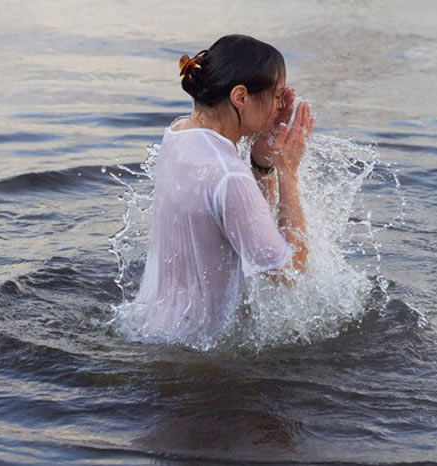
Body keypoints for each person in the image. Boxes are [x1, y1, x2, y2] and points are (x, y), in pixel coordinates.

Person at [134, 34, 314, 346]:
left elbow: (249, 230)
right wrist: (288, 172)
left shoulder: (178, 133)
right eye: (275, 95)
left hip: (149, 328)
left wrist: (261, 161)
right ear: (240, 97)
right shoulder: (229, 175)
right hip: (197, 350)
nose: (280, 107)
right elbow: (291, 273)